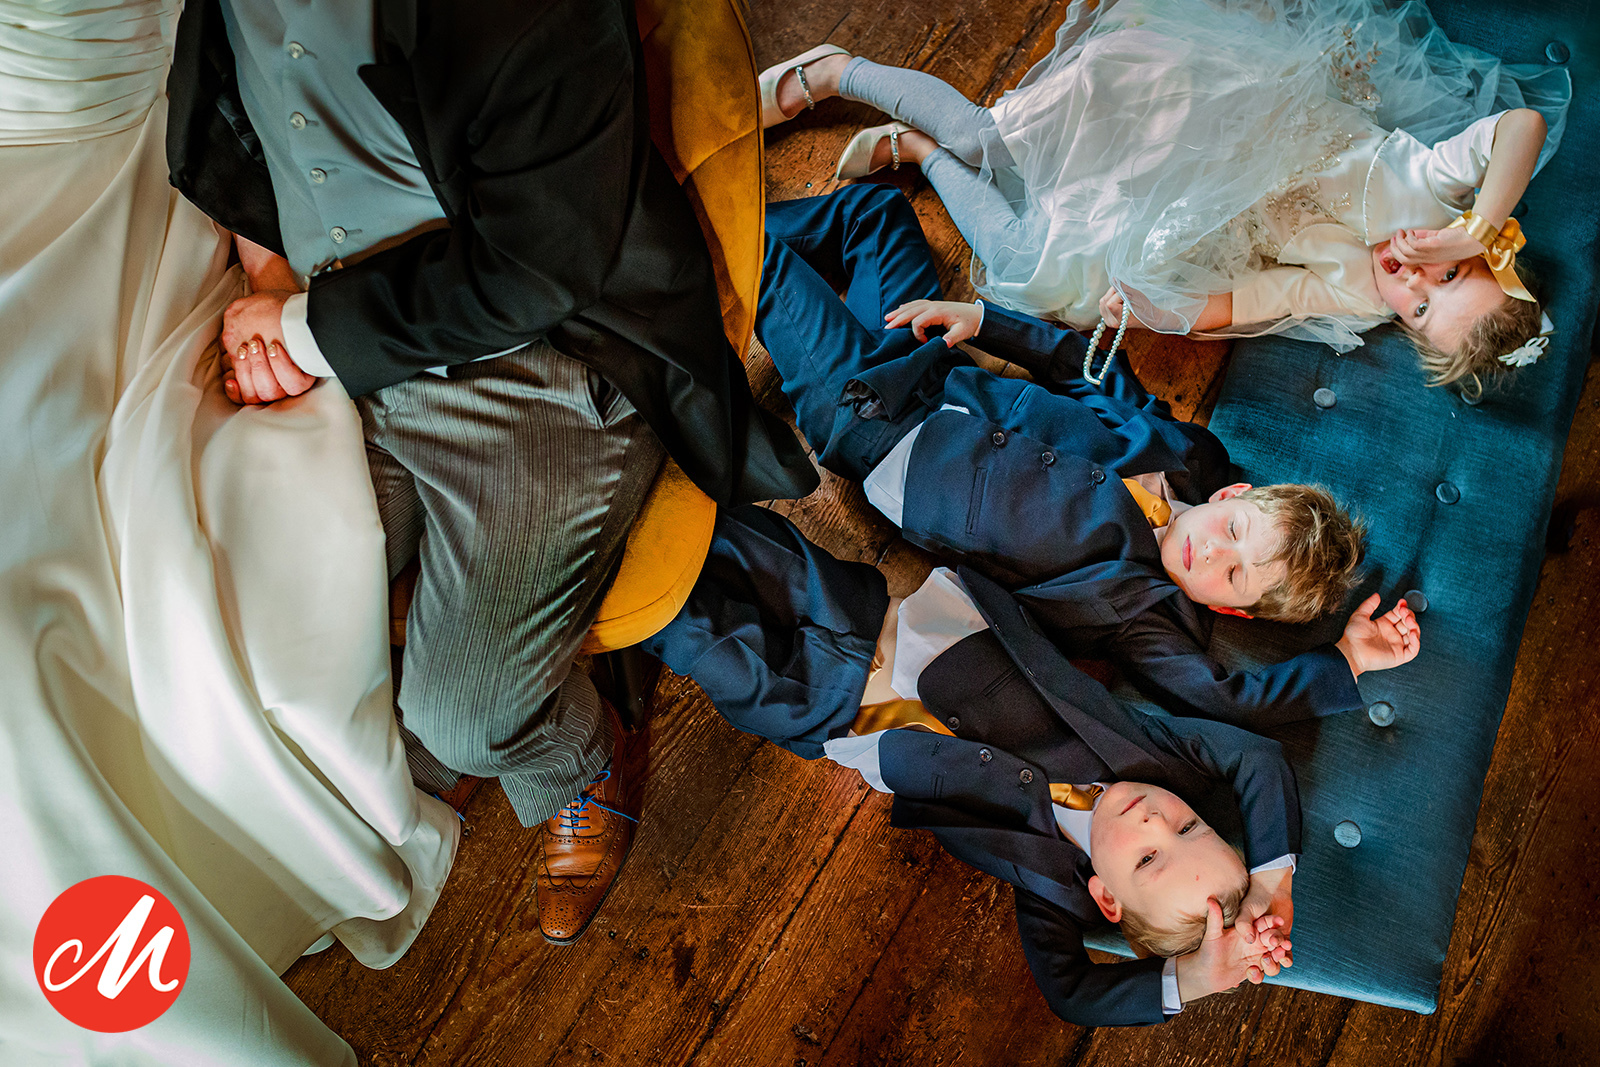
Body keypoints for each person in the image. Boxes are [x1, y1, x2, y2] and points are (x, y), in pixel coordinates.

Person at [165, 0, 815, 945]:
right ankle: (456, 694)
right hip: (345, 350)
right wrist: (269, 275)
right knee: (256, 611)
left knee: (460, 718)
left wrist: (307, 334)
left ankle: (579, 753)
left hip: (541, 361)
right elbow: (239, 113)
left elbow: (541, 264)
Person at [754, 184, 1420, 730]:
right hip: (933, 366)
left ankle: (706, 240)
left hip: (873, 424)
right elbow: (1092, 375)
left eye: (1234, 575)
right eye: (1235, 531)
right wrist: (985, 322)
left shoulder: (1144, 618)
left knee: (762, 259)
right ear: (1230, 497)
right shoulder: (1190, 457)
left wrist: (1349, 659)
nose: (1215, 552)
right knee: (877, 213)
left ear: (1232, 611)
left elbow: (1230, 701)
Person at [643, 506, 1298, 1027]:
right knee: (745, 542)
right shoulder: (1153, 755)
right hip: (881, 623)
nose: (1154, 819)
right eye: (1188, 825)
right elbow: (1256, 755)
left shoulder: (1052, 883)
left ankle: (614, 599)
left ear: (1106, 895)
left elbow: (1071, 993)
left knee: (693, 634)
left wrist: (1194, 979)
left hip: (830, 712)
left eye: (1148, 857)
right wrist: (1273, 883)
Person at [758, 0, 1571, 394]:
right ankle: (834, 72)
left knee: (1042, 278)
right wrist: (1475, 227)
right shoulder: (1432, 187)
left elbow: (1258, 298)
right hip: (1200, 102)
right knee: (992, 142)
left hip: (1189, 199)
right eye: (1451, 276)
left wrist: (1150, 309)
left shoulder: (1362, 294)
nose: (1416, 280)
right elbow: (1522, 125)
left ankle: (920, 152)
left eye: (1421, 310)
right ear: (1479, 252)